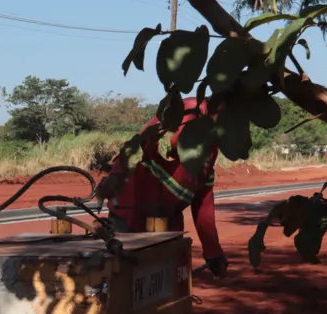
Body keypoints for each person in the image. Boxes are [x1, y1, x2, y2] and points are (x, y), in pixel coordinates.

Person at [96, 97, 228, 278]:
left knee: (166, 287)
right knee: (124, 281)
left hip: (167, 222)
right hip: (131, 214)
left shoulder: (212, 146)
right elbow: (137, 146)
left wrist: (213, 251)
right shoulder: (184, 111)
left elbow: (202, 198)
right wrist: (114, 179)